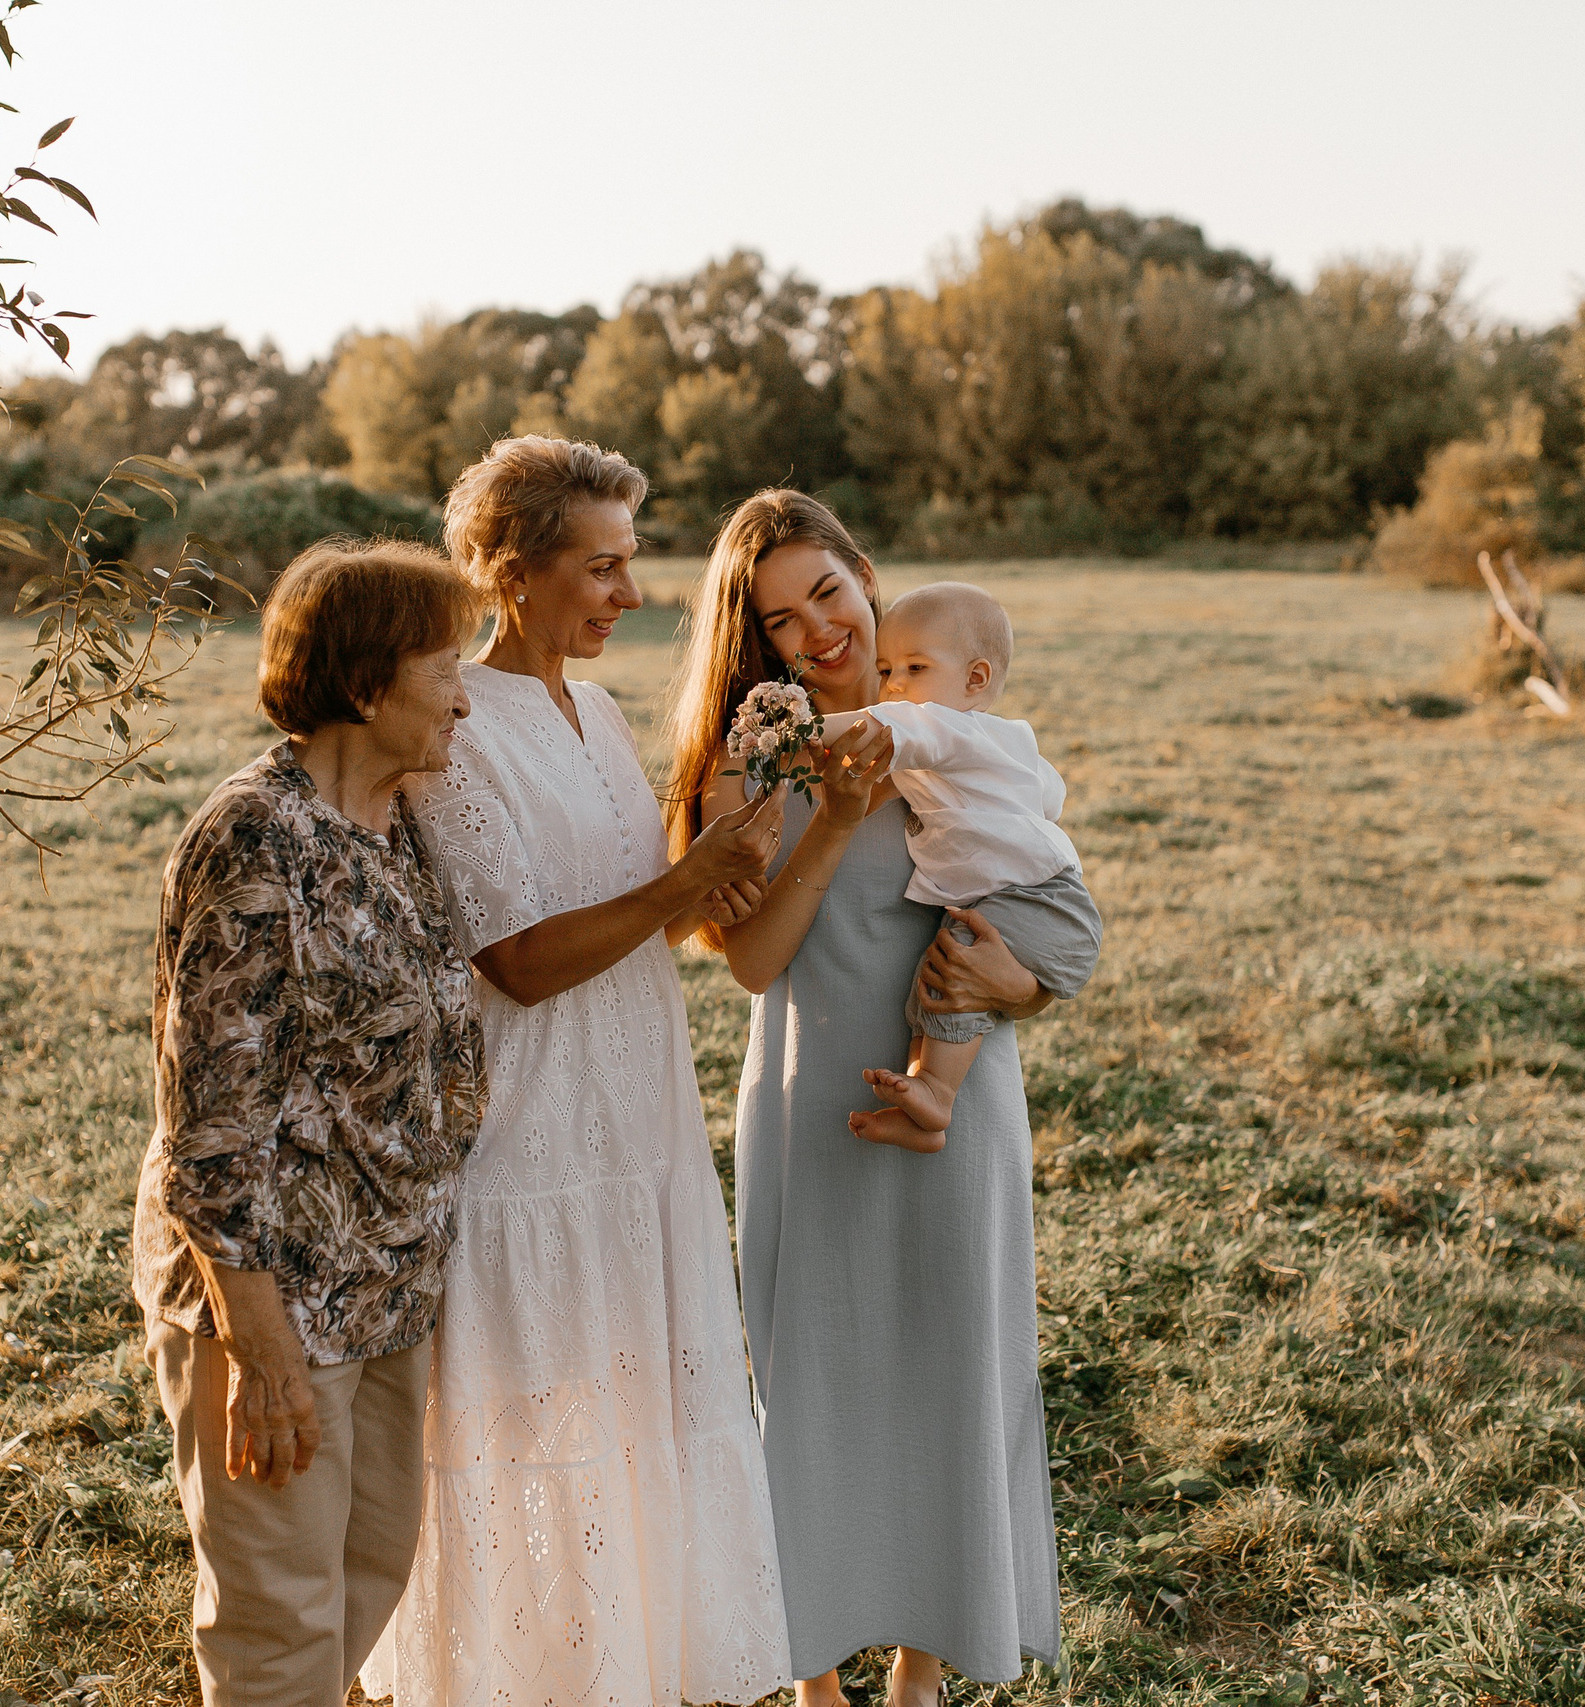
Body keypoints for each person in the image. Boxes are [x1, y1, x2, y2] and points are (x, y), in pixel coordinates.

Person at [362, 437, 794, 1707]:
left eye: (630, 563)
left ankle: (628, 1673)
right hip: (527, 1136)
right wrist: (684, 878)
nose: (629, 593)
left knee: (635, 1419)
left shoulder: (598, 714)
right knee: (532, 1432)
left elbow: (635, 916)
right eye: (600, 567)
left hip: (640, 1124)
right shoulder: (455, 728)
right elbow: (519, 959)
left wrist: (721, 871)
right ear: (510, 570)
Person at [661, 492, 1066, 1707]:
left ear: (866, 574)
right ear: (756, 642)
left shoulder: (957, 728)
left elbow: (1043, 908)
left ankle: (920, 1664)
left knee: (953, 1372)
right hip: (814, 1103)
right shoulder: (752, 766)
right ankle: (812, 1676)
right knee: (815, 1385)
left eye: (827, 594)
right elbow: (752, 964)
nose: (818, 634)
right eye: (780, 622)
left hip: (960, 1105)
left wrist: (1025, 988)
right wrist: (832, 819)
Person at [131, 539, 490, 1707]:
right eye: (446, 667)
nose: (463, 698)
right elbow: (211, 1123)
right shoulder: (256, 838)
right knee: (280, 1618)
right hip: (274, 1295)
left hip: (387, 1283)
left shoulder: (393, 820)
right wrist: (262, 1348)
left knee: (367, 1574)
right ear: (369, 685)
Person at [844, 581, 1103, 1151]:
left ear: (975, 679)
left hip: (1040, 900)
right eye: (885, 670)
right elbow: (1048, 795)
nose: (894, 684)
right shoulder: (991, 742)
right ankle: (921, 1106)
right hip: (1034, 896)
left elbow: (886, 728)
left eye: (915, 667)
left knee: (952, 963)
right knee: (932, 981)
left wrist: (801, 732)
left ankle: (937, 1092)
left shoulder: (951, 729)